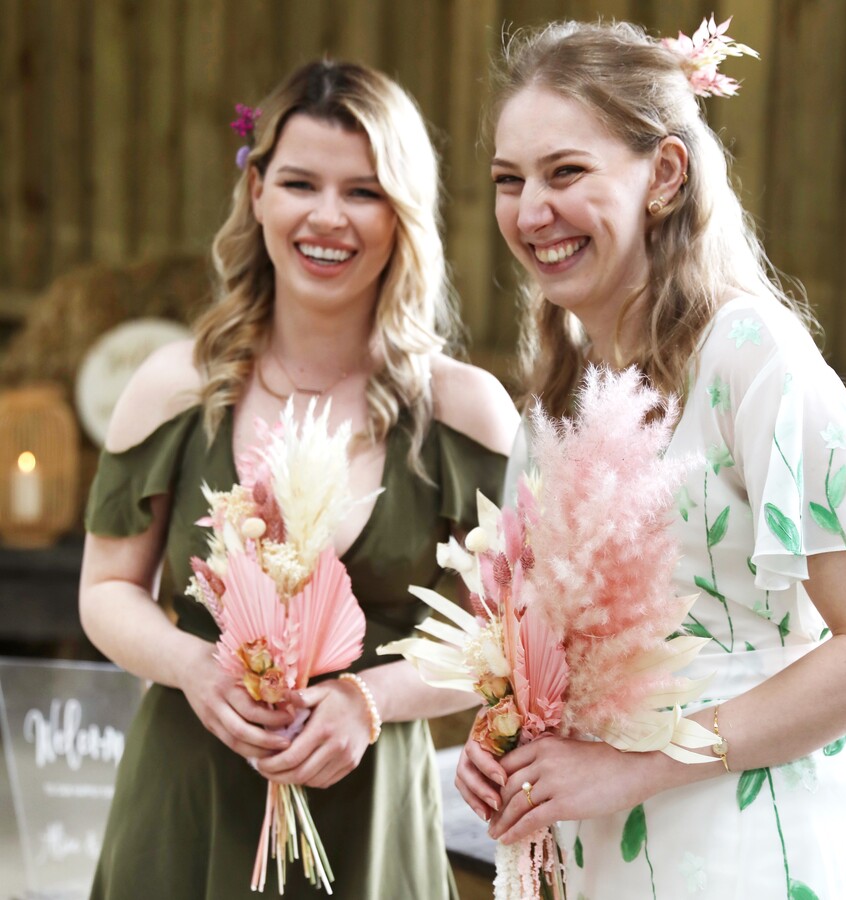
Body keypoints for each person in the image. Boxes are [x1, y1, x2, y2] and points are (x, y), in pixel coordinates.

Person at [456, 17, 846, 898]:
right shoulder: (558, 390)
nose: (529, 211)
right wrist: (498, 735)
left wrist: (638, 765)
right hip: (597, 852)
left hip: (751, 845)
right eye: (509, 180)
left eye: (566, 172)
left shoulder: (751, 354)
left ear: (663, 174)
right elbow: (533, 638)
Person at [79, 58, 519, 900]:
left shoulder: (466, 414)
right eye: (299, 183)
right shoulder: (175, 388)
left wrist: (371, 698)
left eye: (363, 191)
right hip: (187, 803)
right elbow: (105, 588)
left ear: (404, 214)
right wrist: (191, 664)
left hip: (369, 814)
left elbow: (499, 638)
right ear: (256, 196)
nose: (328, 217)